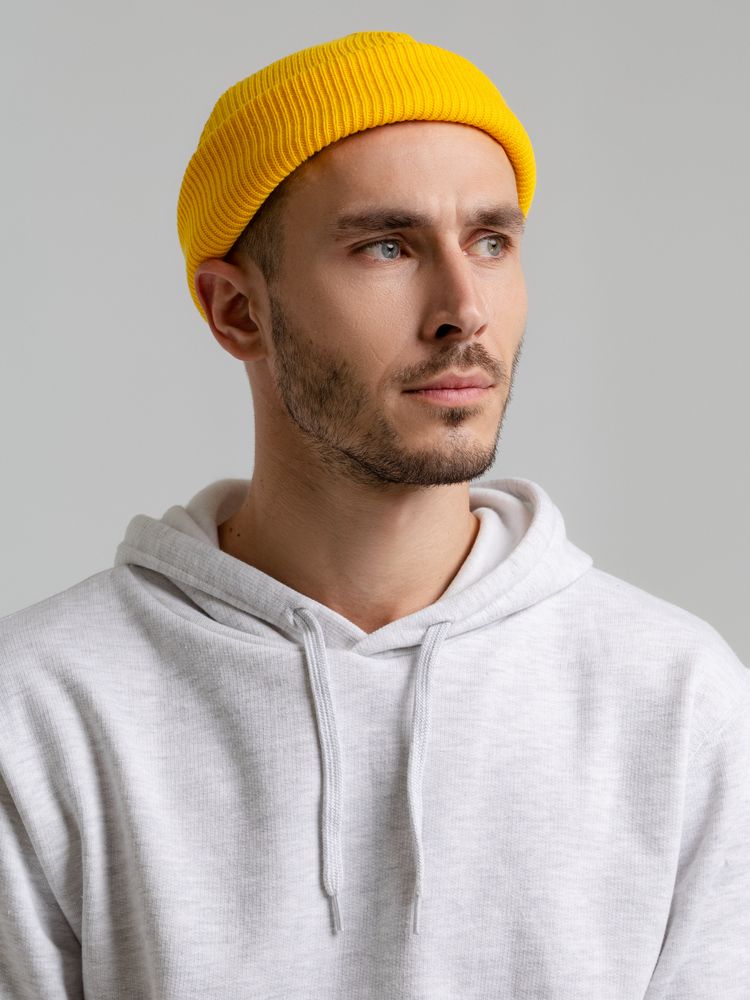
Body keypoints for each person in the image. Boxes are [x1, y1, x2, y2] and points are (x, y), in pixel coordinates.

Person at [0, 29, 748, 1000]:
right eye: (386, 246)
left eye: (491, 241)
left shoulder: (680, 702)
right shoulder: (40, 710)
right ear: (236, 311)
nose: (464, 309)